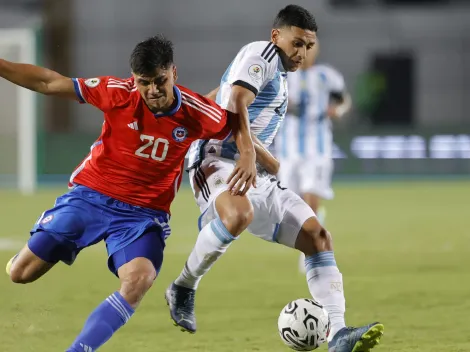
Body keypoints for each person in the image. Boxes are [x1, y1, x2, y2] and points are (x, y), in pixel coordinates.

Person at [1, 34, 258, 351]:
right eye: (144, 82)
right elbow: (48, 83)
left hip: (143, 215)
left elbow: (234, 121)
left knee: (139, 280)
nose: (152, 91)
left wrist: (248, 154)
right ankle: (36, 244)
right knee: (20, 273)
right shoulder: (116, 92)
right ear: (133, 79)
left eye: (160, 81)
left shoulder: (196, 112)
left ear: (173, 73)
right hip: (91, 195)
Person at [165, 5, 384, 352]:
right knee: (237, 215)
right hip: (218, 160)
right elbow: (236, 100)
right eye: (297, 43)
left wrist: (261, 158)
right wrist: (254, 154)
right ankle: (184, 286)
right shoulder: (262, 54)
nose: (302, 52)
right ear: (276, 36)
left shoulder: (280, 74)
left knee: (318, 237)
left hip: (254, 168)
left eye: (308, 46)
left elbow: (220, 99)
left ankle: (338, 334)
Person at [274, 41, 352, 274]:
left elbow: (343, 100)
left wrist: (337, 111)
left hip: (317, 149)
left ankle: (311, 252)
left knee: (311, 198)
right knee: (291, 207)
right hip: (287, 149)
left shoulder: (327, 76)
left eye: (310, 46)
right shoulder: (281, 77)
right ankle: (315, 224)